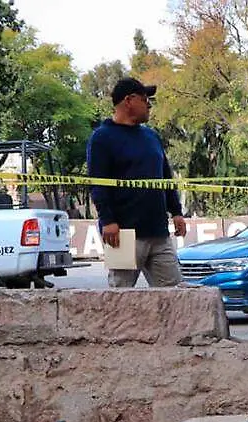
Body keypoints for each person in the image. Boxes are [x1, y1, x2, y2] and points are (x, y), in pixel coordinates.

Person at [87, 77, 187, 288]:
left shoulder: (151, 136)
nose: (149, 105)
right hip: (123, 234)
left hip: (159, 233)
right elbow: (98, 184)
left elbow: (165, 177)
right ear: (129, 100)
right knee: (120, 297)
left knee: (175, 295)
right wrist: (108, 220)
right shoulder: (102, 138)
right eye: (144, 99)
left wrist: (176, 211)